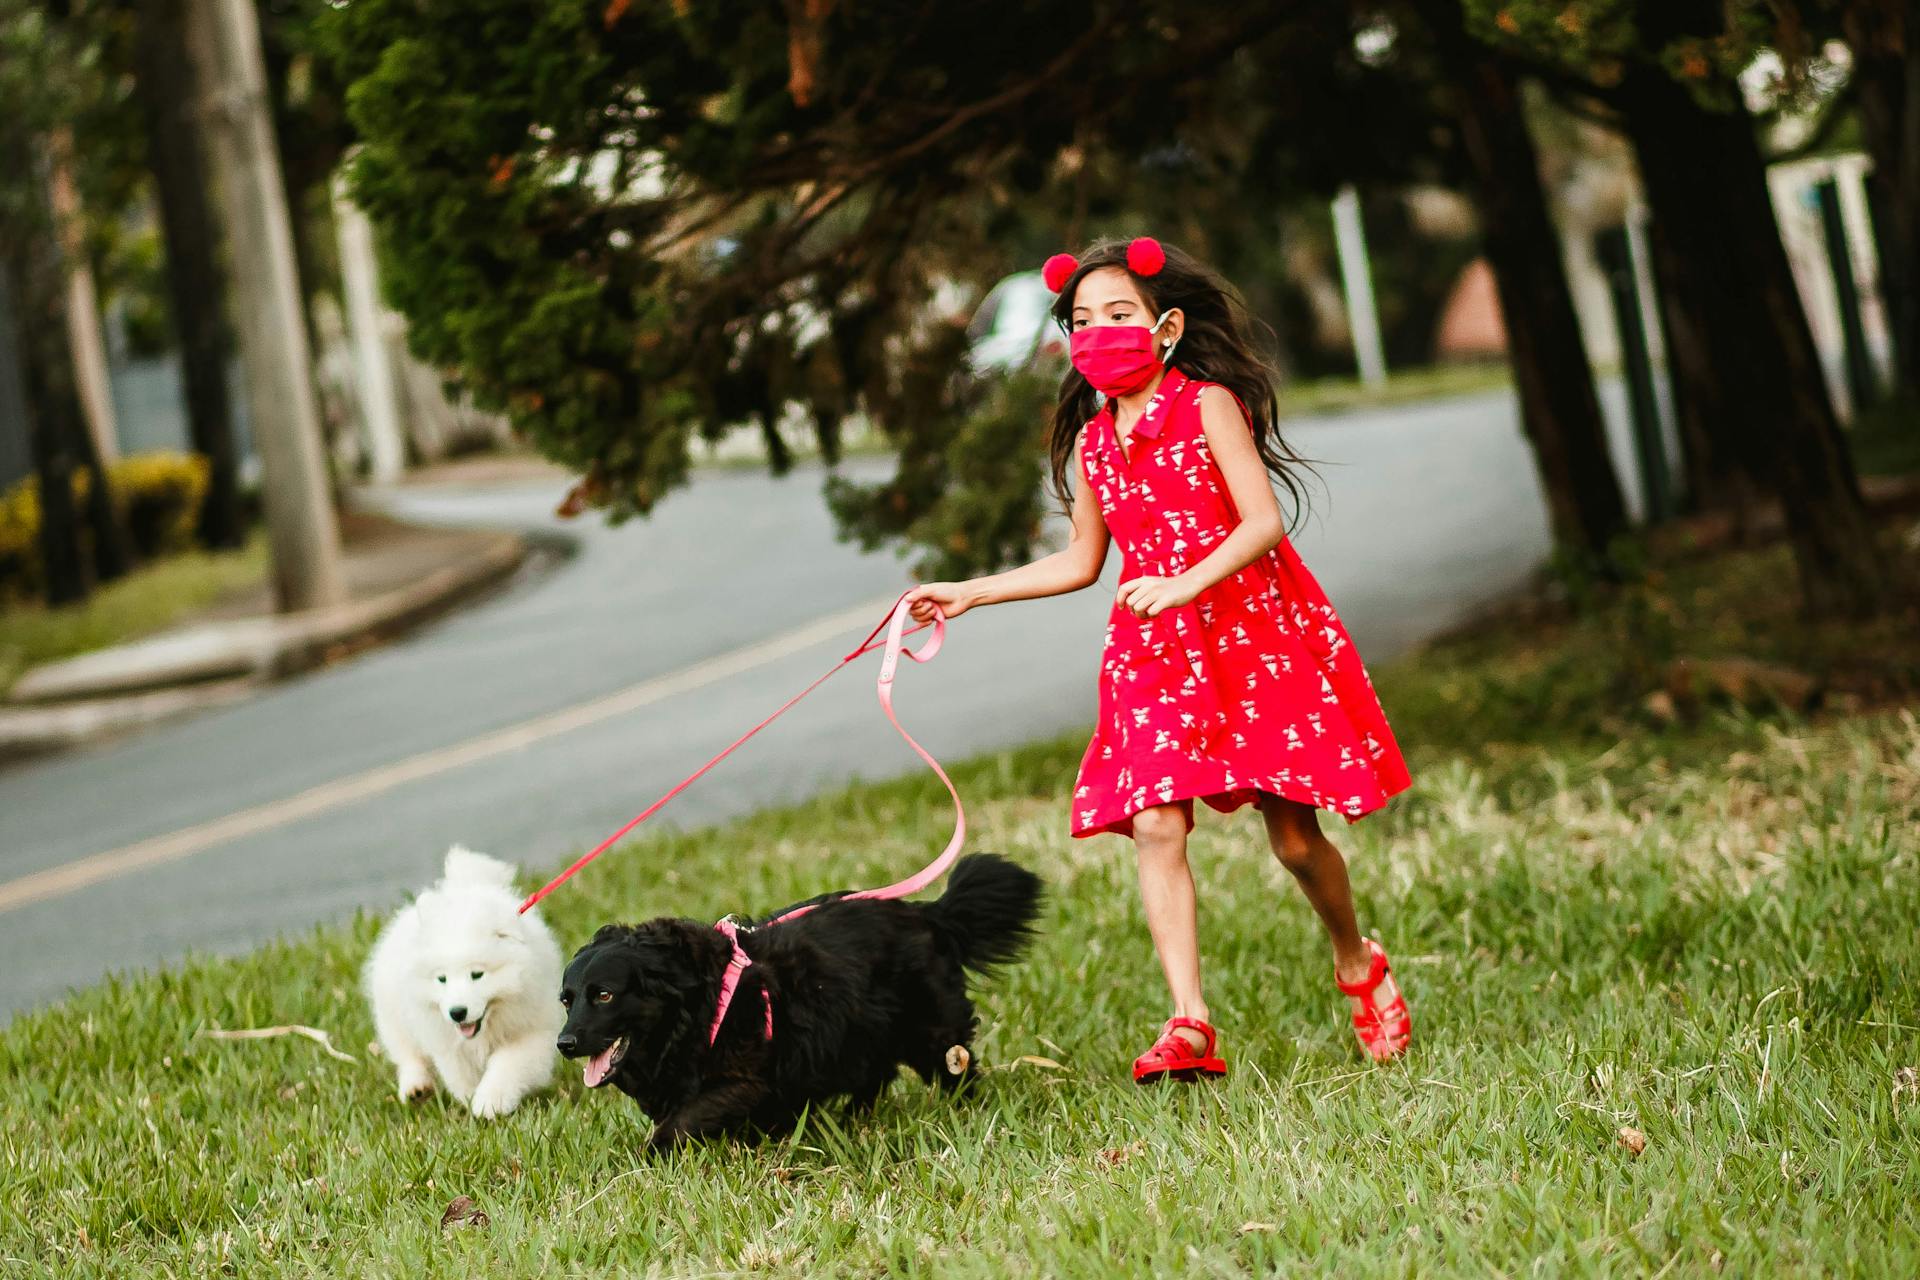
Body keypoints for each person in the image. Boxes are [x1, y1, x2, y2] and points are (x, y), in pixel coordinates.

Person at [906, 237, 1413, 1080]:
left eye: (1118, 316)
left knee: (1292, 840)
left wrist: (1186, 581)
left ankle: (1357, 960)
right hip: (1154, 653)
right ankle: (1189, 1021)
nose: (1098, 332)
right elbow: (1081, 562)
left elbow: (1262, 523)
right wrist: (971, 591)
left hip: (1252, 632)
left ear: (1165, 326)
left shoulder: (1208, 404)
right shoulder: (1093, 444)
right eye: (1080, 321)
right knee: (1153, 821)